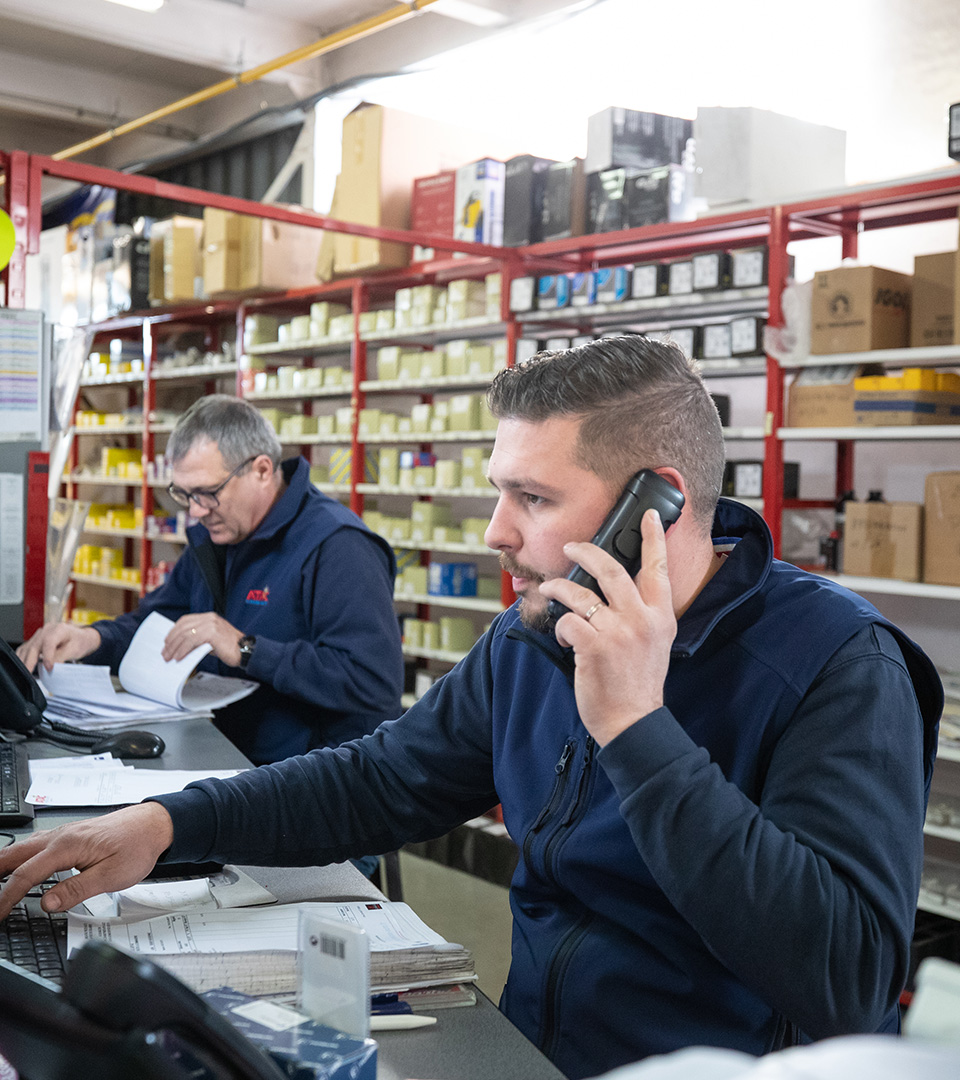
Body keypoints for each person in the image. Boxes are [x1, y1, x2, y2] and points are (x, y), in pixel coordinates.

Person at [0, 338, 942, 1080]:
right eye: (500, 491)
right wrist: (171, 821)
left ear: (655, 507)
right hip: (525, 1052)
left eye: (532, 497)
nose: (499, 533)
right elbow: (381, 780)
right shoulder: (533, 636)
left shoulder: (837, 667)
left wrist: (638, 730)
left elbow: (847, 979)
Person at [16, 394, 404, 766]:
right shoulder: (216, 537)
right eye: (184, 494)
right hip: (228, 761)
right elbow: (160, 624)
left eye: (208, 493)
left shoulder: (338, 546)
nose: (196, 511)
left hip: (313, 782)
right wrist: (92, 639)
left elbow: (371, 682)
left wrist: (246, 649)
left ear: (262, 470)